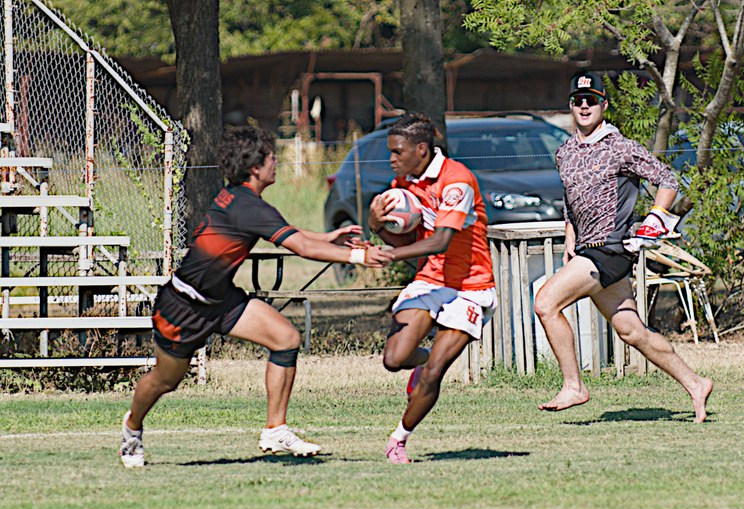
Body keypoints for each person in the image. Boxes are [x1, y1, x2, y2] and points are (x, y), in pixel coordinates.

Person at [119, 126, 392, 467]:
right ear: (255, 168)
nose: (276, 163)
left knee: (285, 338)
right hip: (183, 307)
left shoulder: (243, 199)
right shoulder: (248, 205)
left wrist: (329, 238)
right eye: (271, 158)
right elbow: (302, 248)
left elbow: (293, 235)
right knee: (165, 380)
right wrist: (359, 257)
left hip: (221, 301)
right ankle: (132, 429)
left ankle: (275, 429)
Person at [533, 72, 713, 422]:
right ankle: (695, 383)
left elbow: (668, 180)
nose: (584, 105)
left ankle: (574, 386)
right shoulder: (565, 152)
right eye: (578, 100)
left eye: (592, 99)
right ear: (571, 105)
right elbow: (571, 202)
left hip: (612, 249)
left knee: (545, 303)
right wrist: (570, 240)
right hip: (587, 250)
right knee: (631, 331)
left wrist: (657, 217)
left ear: (604, 104)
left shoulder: (620, 147)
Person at [368, 113, 497, 464]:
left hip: (471, 285)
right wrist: (376, 226)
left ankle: (399, 439)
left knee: (437, 371)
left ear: (421, 150)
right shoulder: (405, 183)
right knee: (394, 359)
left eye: (397, 151)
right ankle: (423, 363)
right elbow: (411, 236)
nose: (392, 159)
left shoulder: (457, 180)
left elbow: (440, 240)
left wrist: (389, 254)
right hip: (431, 279)